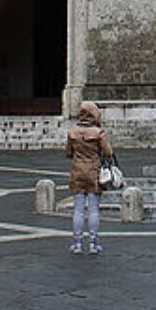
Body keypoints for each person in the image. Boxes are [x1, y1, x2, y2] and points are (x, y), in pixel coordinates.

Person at [65, 100, 111, 254]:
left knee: (78, 209)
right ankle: (93, 242)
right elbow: (109, 152)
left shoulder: (72, 133)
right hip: (93, 171)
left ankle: (77, 243)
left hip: (77, 170)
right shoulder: (98, 133)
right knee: (93, 209)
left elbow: (68, 153)